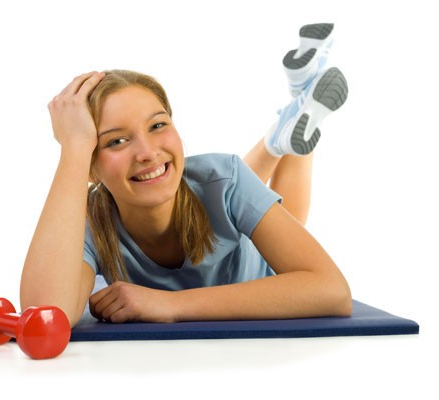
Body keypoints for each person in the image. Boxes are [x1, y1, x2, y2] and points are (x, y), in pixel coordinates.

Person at [20, 23, 352, 326]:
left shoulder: (226, 178)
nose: (148, 152)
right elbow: (44, 316)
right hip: (218, 196)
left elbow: (332, 291)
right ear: (91, 166)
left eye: (157, 125)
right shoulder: (88, 222)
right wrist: (74, 150)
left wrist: (171, 304)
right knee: (229, 190)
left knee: (259, 201)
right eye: (116, 141)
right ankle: (290, 117)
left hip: (264, 272)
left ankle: (290, 120)